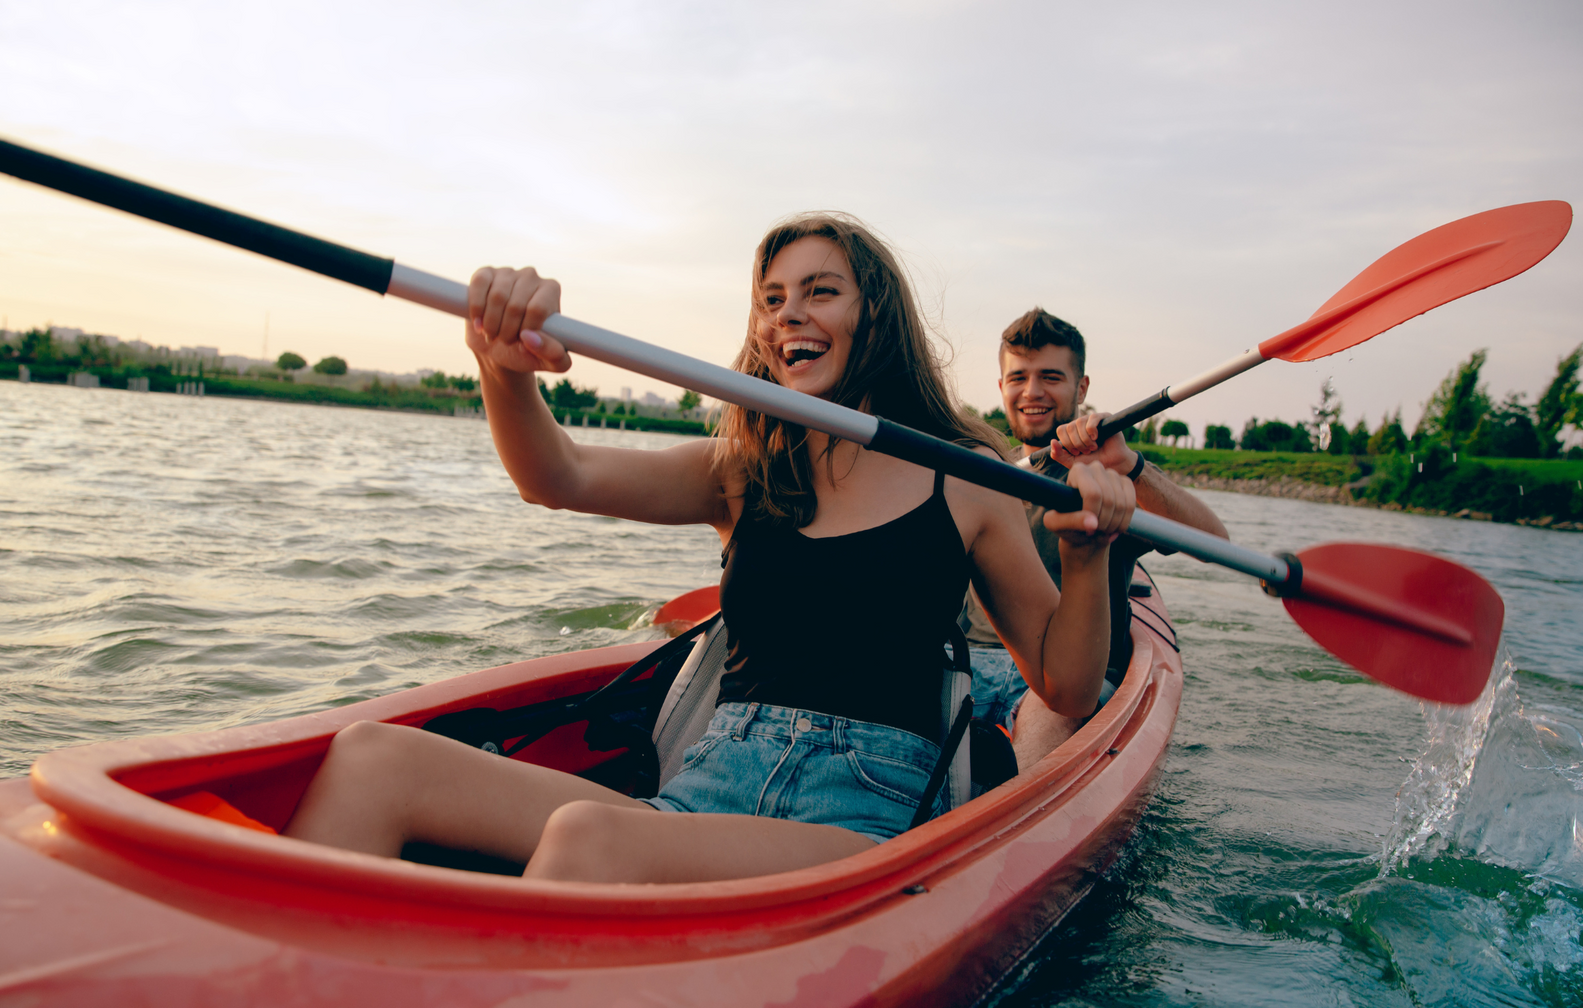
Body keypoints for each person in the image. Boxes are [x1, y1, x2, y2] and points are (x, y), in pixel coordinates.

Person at [282, 215, 1136, 884]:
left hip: (858, 822)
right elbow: (560, 473)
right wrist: (500, 367)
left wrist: (1088, 556)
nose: (788, 314)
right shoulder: (744, 467)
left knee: (591, 839)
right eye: (771, 298)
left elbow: (1063, 684)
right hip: (704, 784)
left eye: (820, 291)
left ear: (873, 313)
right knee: (373, 758)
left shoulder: (965, 472)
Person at [965, 308, 1229, 768]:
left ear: (1081, 388)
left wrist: (1132, 467)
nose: (1032, 392)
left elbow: (1215, 543)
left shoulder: (1110, 477)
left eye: (1050, 377)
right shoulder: (984, 471)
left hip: (1068, 682)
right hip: (969, 661)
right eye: (1018, 377)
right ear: (1001, 386)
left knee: (1053, 719)